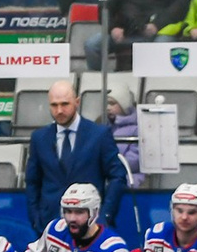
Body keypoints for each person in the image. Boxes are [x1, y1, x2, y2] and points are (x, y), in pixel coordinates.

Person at [25, 78, 126, 232]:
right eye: (54, 105)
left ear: (77, 102)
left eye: (65, 104)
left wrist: (104, 216)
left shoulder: (98, 135)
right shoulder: (39, 138)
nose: (59, 110)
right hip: (49, 225)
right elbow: (33, 181)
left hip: (90, 225)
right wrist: (35, 218)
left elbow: (117, 176)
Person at [15, 181, 134, 252]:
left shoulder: (114, 250)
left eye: (79, 212)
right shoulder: (54, 230)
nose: (72, 218)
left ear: (94, 212)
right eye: (68, 211)